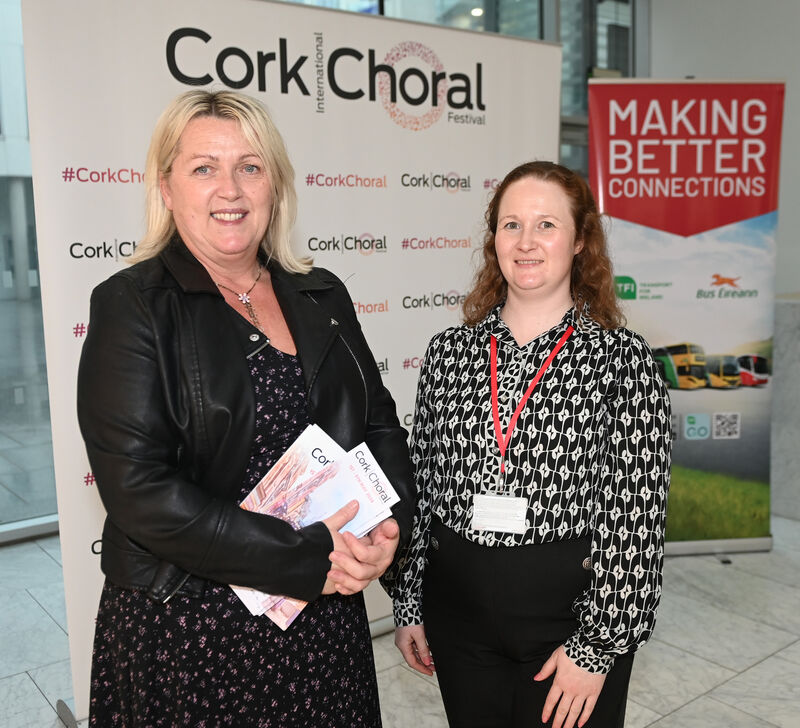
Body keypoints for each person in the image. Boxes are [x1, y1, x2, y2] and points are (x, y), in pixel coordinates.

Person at [77, 89, 414, 727]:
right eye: (204, 167)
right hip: (192, 630)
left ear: (275, 186)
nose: (230, 188)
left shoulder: (322, 293)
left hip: (322, 621)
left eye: (250, 167)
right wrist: (307, 556)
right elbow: (139, 489)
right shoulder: (133, 305)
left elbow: (378, 426)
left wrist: (381, 529)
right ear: (167, 188)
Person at [391, 161, 671, 728]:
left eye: (546, 225)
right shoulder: (452, 352)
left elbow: (636, 518)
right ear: (493, 239)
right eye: (511, 225)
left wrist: (598, 647)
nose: (526, 242)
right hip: (458, 614)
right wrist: (409, 601)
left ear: (580, 241)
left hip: (569, 619)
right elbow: (423, 484)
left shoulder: (625, 361)